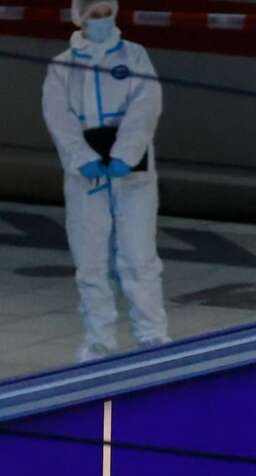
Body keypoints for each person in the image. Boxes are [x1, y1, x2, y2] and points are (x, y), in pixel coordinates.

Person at [40, 0, 169, 362]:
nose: (101, 20)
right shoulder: (62, 66)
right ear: (79, 18)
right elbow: (58, 116)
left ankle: (152, 334)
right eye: (93, 15)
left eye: (105, 12)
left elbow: (146, 105)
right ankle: (100, 339)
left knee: (139, 256)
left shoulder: (134, 56)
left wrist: (127, 153)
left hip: (133, 173)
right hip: (87, 176)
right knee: (91, 260)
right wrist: (82, 158)